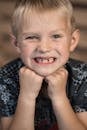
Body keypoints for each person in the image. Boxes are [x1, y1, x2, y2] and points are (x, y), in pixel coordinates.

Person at [0, 0, 87, 129]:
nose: (44, 48)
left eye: (56, 36)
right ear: (16, 44)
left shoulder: (82, 75)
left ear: (72, 41)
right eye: (31, 37)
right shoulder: (5, 78)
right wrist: (27, 96)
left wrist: (59, 97)